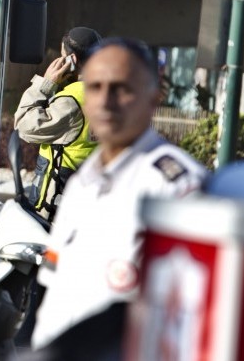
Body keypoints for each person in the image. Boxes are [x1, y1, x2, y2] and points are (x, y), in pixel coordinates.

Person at [29, 38, 208, 360]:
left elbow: (194, 318)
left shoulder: (177, 186)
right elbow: (55, 295)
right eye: (95, 87)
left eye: (121, 88)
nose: (105, 101)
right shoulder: (82, 183)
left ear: (154, 98)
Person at [14, 26, 102, 218]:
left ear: (73, 60)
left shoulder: (72, 101)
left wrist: (46, 84)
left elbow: (23, 125)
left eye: (62, 56)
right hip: (90, 205)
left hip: (56, 212)